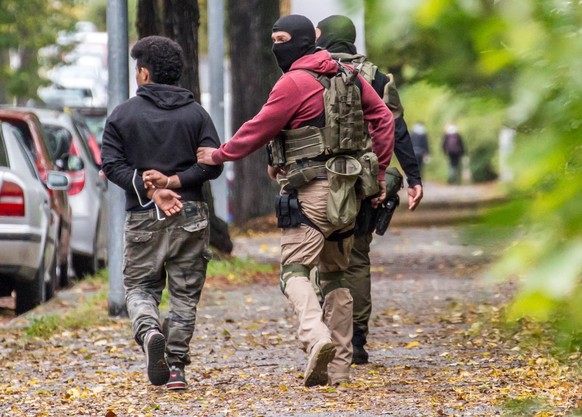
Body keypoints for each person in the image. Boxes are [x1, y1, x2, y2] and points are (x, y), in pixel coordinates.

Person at [197, 14, 395, 386]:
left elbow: (259, 128)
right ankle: (338, 368)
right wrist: (380, 174)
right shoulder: (348, 75)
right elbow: (383, 119)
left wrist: (219, 155)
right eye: (273, 39)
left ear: (304, 40)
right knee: (336, 274)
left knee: (294, 271)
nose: (276, 47)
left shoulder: (293, 83)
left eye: (282, 38)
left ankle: (314, 335)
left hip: (312, 193)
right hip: (349, 193)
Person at [101, 35, 223, 390]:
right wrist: (177, 179)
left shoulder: (122, 115)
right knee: (185, 296)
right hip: (191, 212)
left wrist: (150, 188)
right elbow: (212, 164)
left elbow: (111, 165)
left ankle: (149, 329)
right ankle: (176, 369)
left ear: (143, 73)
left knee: (140, 287)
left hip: (142, 216)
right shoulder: (197, 114)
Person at [315, 15, 424, 365]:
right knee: (357, 258)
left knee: (323, 258)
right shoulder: (375, 77)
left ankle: (328, 334)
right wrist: (413, 177)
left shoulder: (310, 73)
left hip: (319, 179)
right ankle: (357, 340)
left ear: (324, 37)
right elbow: (396, 128)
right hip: (364, 179)